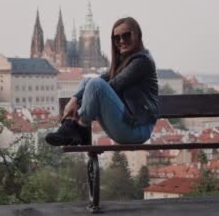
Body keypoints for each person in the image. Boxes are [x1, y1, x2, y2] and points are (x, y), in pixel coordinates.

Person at [45, 17, 160, 146]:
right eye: (116, 38)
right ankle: (71, 127)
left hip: (138, 130)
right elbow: (100, 80)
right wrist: (74, 98)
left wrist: (77, 102)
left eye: (126, 36)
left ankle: (77, 128)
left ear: (137, 35)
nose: (121, 41)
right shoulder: (124, 61)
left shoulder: (142, 61)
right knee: (88, 81)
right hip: (127, 123)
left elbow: (112, 86)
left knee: (95, 84)